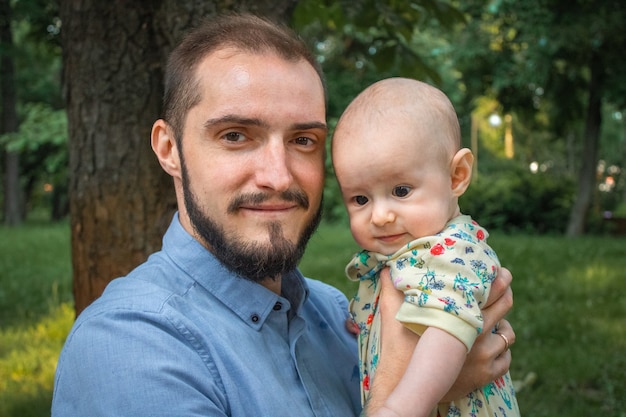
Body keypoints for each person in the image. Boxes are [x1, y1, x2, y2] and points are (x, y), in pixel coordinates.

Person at [52, 14, 515, 417]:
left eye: (303, 141)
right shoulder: (129, 348)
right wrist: (417, 391)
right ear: (168, 149)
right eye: (235, 135)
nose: (277, 176)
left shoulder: (339, 316)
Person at [332, 77, 520, 417]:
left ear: (456, 176)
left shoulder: (451, 252)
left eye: (401, 190)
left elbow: (445, 335)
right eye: (360, 198)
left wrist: (398, 409)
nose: (380, 215)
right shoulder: (409, 253)